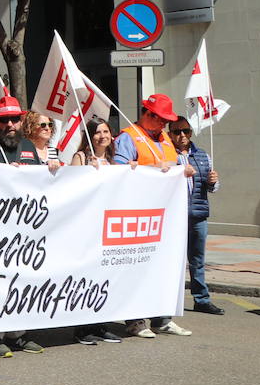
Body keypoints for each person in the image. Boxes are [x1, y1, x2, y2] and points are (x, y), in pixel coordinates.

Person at [0, 96, 56, 355]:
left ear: (21, 120)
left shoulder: (29, 146)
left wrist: (50, 169)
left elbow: (41, 184)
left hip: (25, 228)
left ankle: (20, 333)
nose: (10, 124)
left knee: (22, 281)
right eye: (4, 119)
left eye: (14, 119)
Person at [111, 94, 191, 339]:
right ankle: (135, 320)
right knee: (136, 267)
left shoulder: (165, 138)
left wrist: (183, 170)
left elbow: (175, 165)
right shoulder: (128, 137)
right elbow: (119, 171)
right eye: (162, 120)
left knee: (162, 266)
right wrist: (153, 171)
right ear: (148, 114)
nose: (165, 125)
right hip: (137, 213)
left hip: (163, 216)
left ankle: (162, 318)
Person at [70, 121, 125, 346]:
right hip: (86, 227)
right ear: (90, 137)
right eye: (97, 132)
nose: (102, 136)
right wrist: (86, 172)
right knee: (85, 277)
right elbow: (70, 188)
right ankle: (82, 327)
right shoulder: (80, 157)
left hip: (107, 227)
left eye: (105, 131)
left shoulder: (114, 161)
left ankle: (100, 324)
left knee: (104, 278)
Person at [170, 116, 222, 316]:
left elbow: (212, 188)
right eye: (176, 132)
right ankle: (169, 301)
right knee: (174, 260)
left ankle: (201, 299)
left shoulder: (202, 155)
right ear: (170, 134)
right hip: (175, 216)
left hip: (198, 215)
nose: (182, 135)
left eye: (185, 131)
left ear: (190, 132)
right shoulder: (167, 154)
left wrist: (213, 181)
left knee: (197, 260)